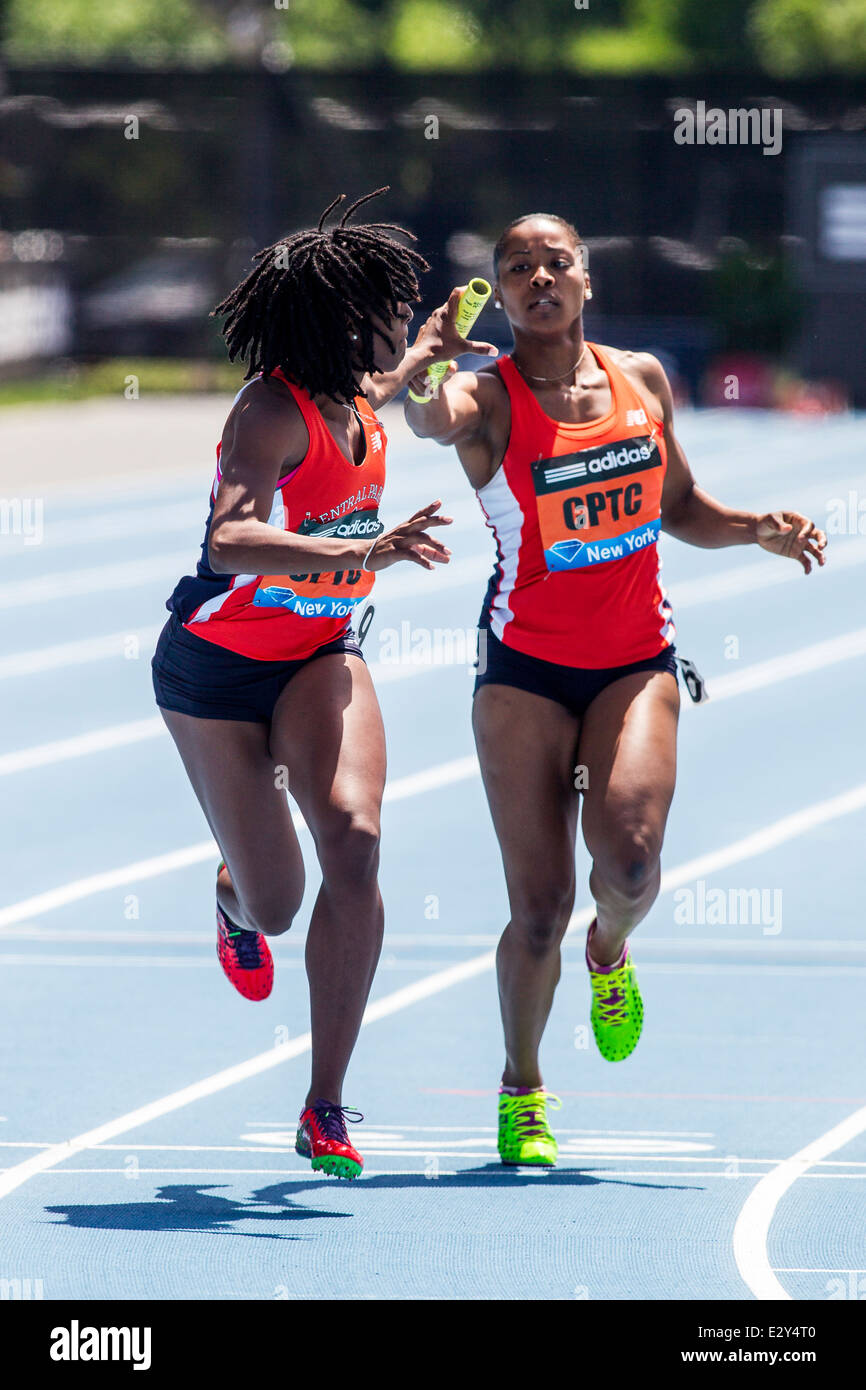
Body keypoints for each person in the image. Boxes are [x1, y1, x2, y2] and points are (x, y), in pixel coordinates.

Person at [403, 212, 827, 1166]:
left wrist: (756, 525)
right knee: (539, 905)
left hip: (635, 659)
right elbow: (428, 420)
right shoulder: (487, 397)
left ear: (586, 279)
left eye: (557, 264)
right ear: (502, 293)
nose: (539, 279)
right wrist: (425, 361)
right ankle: (522, 1088)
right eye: (519, 269)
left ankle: (611, 953)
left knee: (628, 865)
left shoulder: (640, 378)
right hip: (523, 671)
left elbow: (678, 506)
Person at [151, 188, 455, 1180]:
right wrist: (359, 542)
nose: (397, 321)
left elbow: (387, 384)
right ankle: (234, 893)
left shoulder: (355, 400)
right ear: (336, 322)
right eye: (386, 310)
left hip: (319, 654)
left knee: (356, 842)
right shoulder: (270, 410)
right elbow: (230, 537)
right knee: (279, 902)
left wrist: (429, 354)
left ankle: (325, 1103)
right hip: (216, 672)